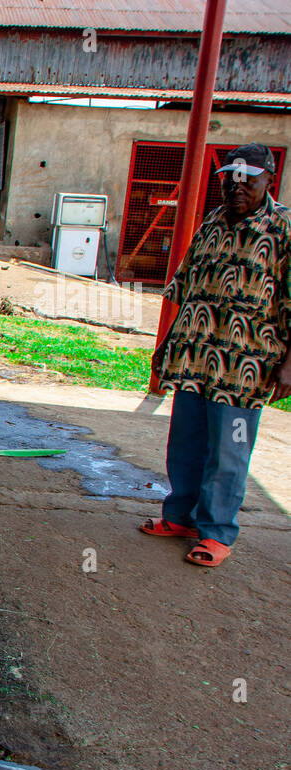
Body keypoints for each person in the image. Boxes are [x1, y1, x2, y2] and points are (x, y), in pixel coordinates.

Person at [142, 143, 291, 567]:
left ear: (269, 180)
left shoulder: (283, 229)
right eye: (230, 177)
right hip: (194, 360)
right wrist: (168, 344)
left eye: (249, 178)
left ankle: (217, 532)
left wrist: (290, 365)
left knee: (229, 450)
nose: (237, 186)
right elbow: (187, 289)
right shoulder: (212, 222)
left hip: (246, 368)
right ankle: (180, 517)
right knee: (186, 442)